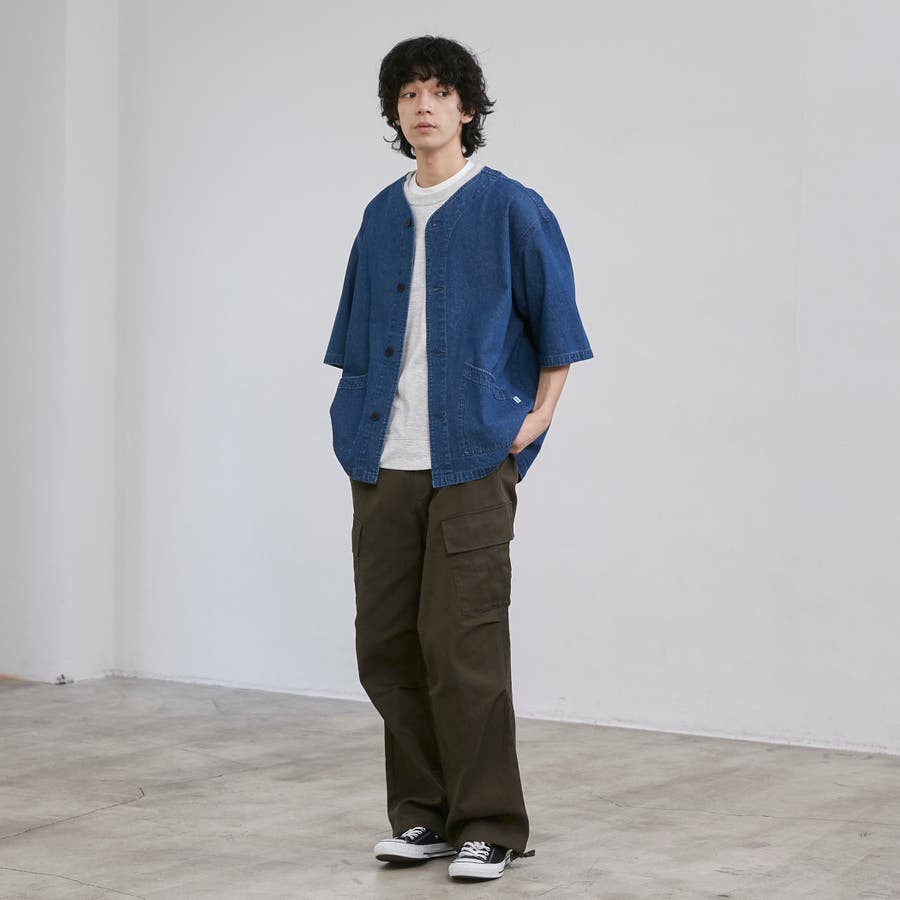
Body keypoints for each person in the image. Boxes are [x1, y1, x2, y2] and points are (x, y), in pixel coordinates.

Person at [322, 34, 593, 882]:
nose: (423, 107)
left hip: (473, 457)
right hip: (383, 461)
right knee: (386, 646)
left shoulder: (511, 206)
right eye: (408, 94)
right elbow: (353, 340)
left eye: (439, 92)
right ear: (394, 113)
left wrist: (537, 417)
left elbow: (559, 328)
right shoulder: (379, 215)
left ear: (467, 109)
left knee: (462, 646)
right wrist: (350, 428)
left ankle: (490, 824)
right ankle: (423, 817)